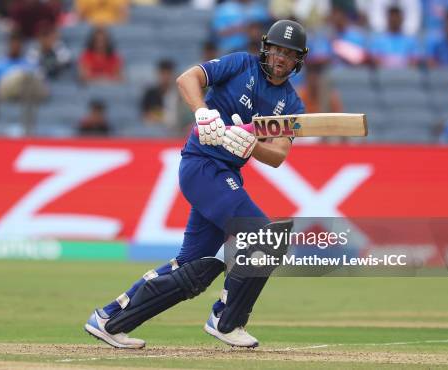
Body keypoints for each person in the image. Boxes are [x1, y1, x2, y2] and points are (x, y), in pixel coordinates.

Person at [85, 19, 307, 349]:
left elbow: (278, 156)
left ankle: (110, 319)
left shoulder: (290, 103)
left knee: (191, 269)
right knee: (265, 236)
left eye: (288, 54)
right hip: (202, 165)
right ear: (265, 48)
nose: (280, 58)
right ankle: (226, 319)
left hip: (227, 174)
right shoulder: (240, 64)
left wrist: (249, 146)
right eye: (276, 49)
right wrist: (203, 112)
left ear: (297, 60)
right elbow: (187, 78)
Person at [141, 59, 180, 129]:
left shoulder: (179, 94)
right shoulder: (150, 93)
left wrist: (158, 115)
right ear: (158, 74)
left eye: (168, 73)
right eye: (163, 73)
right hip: (154, 130)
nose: (165, 77)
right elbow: (146, 115)